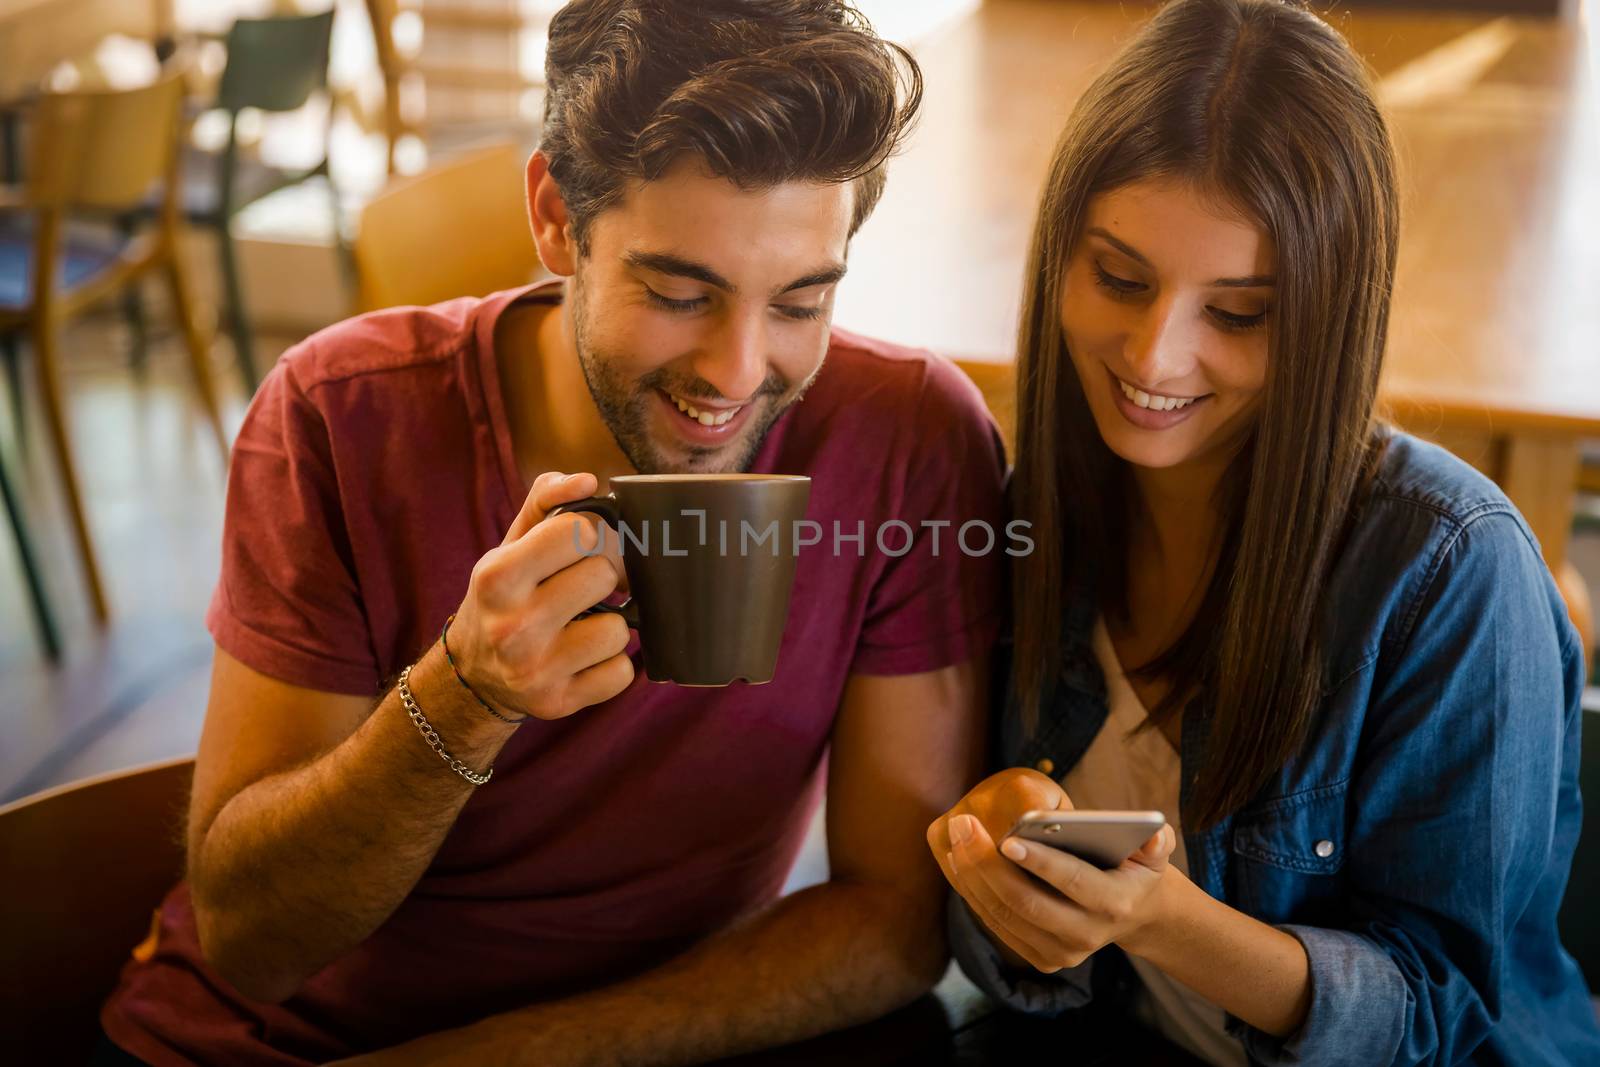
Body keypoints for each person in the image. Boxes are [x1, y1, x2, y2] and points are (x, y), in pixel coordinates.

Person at [98, 2, 1007, 1063]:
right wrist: (464, 696)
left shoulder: (907, 438)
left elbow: (895, 917)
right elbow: (252, 943)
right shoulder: (338, 418)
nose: (735, 369)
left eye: (801, 302)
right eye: (678, 291)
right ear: (554, 216)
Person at [926, 0, 1600, 1064]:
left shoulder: (1453, 571)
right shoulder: (1023, 517)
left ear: (1327, 319)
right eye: (1118, 277)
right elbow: (1016, 970)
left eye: (1238, 314)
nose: (1154, 356)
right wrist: (1007, 866)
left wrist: (1159, 918)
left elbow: (1448, 1017)